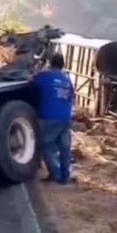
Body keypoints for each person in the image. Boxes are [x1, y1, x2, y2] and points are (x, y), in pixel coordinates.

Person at [32, 52, 74, 184]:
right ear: (63, 65)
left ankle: (55, 174)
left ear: (50, 63)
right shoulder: (67, 81)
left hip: (49, 117)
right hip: (65, 118)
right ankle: (65, 176)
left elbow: (31, 82)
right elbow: (71, 98)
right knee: (65, 148)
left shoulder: (45, 77)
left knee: (45, 145)